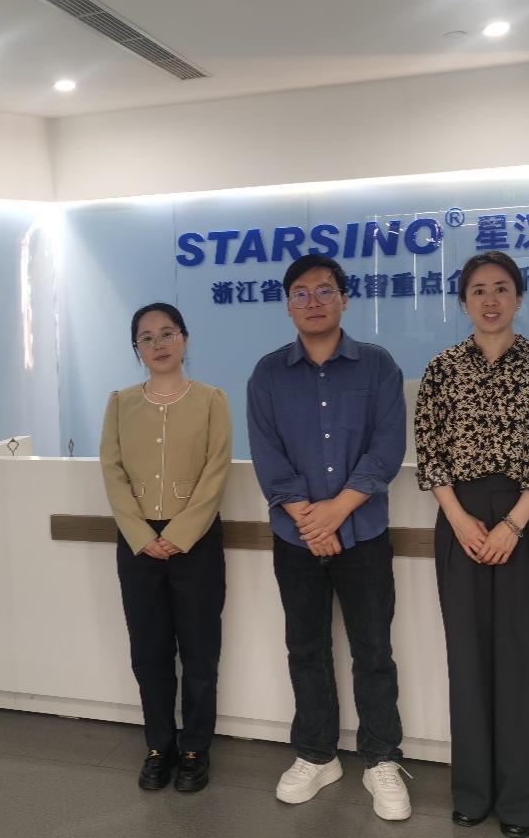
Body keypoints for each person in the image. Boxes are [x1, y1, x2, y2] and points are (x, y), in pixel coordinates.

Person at [414, 251, 529, 838]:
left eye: (501, 288)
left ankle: (521, 801)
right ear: (464, 301)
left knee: (524, 660)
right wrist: (458, 519)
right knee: (468, 658)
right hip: (459, 520)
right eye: (478, 289)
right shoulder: (441, 369)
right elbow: (430, 452)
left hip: (525, 520)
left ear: (519, 297)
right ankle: (472, 792)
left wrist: (512, 524)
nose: (490, 299)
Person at [246, 254, 411, 821]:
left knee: (374, 651)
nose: (312, 301)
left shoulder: (377, 365)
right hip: (296, 541)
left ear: (344, 298)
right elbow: (267, 455)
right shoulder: (268, 373)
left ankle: (381, 759)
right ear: (288, 305)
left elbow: (387, 447)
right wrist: (308, 520)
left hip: (363, 534)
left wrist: (334, 512)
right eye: (300, 293)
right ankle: (317, 755)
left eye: (323, 290)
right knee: (306, 648)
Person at [99, 302, 232, 793]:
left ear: (185, 339)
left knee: (199, 651)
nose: (158, 344)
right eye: (147, 337)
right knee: (149, 652)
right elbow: (112, 471)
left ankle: (195, 748)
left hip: (195, 542)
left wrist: (180, 533)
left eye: (167, 333)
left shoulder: (212, 400)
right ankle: (159, 746)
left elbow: (216, 472)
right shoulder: (120, 403)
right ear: (136, 348)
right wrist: (141, 535)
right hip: (138, 545)